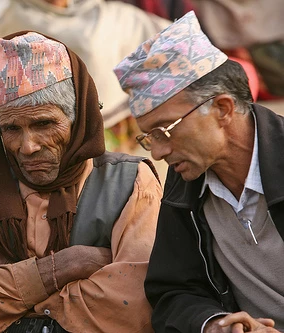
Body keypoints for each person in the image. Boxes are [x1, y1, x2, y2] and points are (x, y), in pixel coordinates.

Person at [0, 31, 163, 332]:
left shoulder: (130, 183)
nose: (27, 146)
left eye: (44, 124)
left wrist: (9, 274)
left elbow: (132, 308)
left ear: (77, 117)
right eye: (11, 128)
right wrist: (63, 267)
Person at [114, 11, 284, 333]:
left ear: (222, 109)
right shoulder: (186, 180)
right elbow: (173, 291)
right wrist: (215, 325)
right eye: (149, 137)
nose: (160, 152)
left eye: (166, 130)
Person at [0, 0, 170, 153]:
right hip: (55, 124)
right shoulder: (15, 18)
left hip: (110, 117)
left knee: (114, 175)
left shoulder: (97, 11)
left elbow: (154, 31)